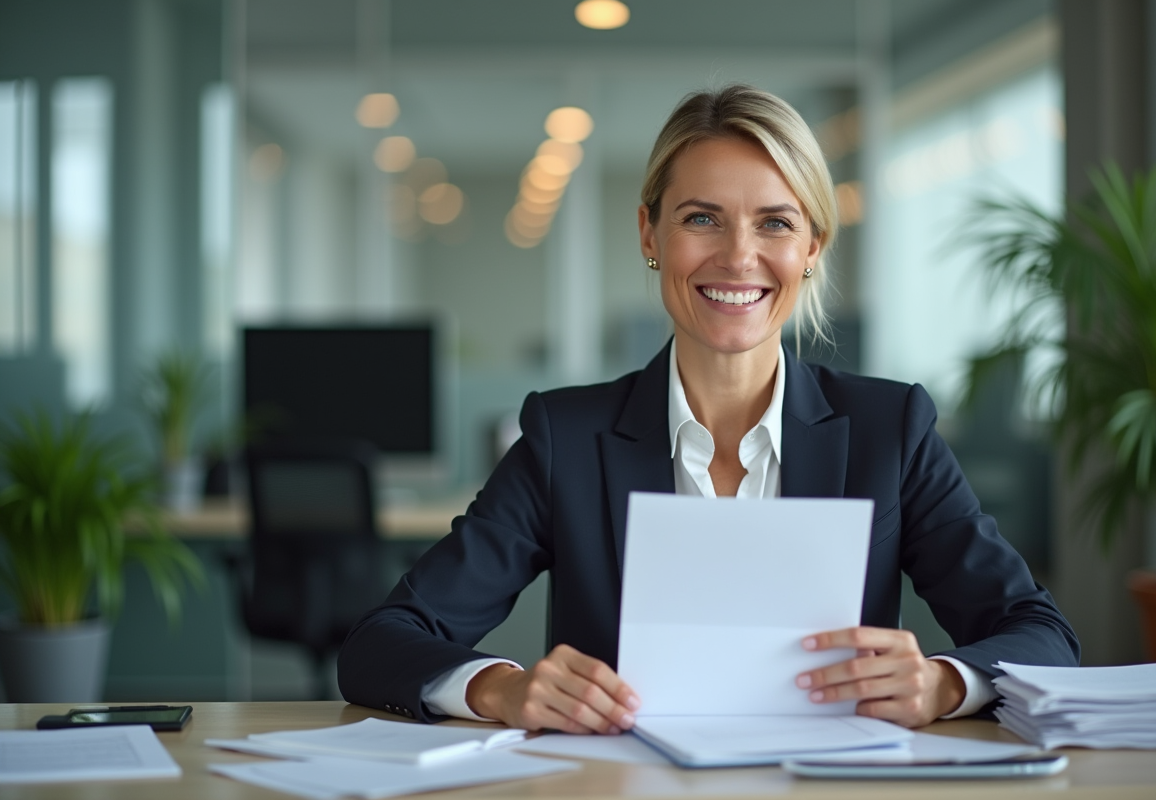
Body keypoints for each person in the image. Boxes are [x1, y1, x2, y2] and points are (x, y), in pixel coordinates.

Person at [337, 85, 1079, 735]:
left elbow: (1041, 634)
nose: (738, 255)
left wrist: (945, 684)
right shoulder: (566, 436)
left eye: (775, 223)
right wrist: (504, 688)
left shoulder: (892, 432)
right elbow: (382, 641)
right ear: (649, 234)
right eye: (702, 218)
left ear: (813, 246)